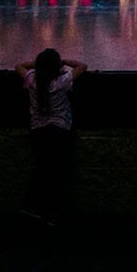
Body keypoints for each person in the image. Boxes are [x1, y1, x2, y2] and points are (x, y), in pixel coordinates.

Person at [15, 49, 88, 223]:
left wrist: (39, 65)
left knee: (41, 169)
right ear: (56, 67)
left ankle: (31, 207)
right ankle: (54, 213)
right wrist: (64, 62)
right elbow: (82, 66)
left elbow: (19, 66)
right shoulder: (62, 81)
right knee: (58, 173)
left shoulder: (31, 80)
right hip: (60, 130)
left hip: (38, 131)